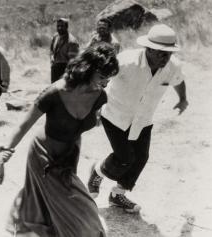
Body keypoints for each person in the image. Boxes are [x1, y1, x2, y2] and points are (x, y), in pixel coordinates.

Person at [0, 43, 119, 237]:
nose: (106, 83)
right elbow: (23, 125)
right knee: (84, 211)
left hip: (69, 155)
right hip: (44, 156)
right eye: (102, 77)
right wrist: (2, 157)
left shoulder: (100, 97)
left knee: (57, 205)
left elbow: (87, 122)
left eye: (109, 78)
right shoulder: (55, 92)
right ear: (88, 70)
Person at [87, 24, 189, 213]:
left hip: (143, 120)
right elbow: (100, 79)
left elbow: (179, 80)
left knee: (141, 157)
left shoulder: (172, 66)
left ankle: (118, 194)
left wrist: (183, 99)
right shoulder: (125, 61)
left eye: (169, 53)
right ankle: (98, 172)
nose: (165, 58)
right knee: (125, 157)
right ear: (148, 49)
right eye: (161, 53)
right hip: (115, 115)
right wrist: (95, 106)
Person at [50, 18, 79, 83]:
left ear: (66, 27)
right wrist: (52, 58)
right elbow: (51, 50)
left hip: (65, 69)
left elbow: (73, 61)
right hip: (55, 67)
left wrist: (67, 74)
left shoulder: (72, 41)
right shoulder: (56, 36)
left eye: (62, 26)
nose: (59, 28)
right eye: (58, 26)